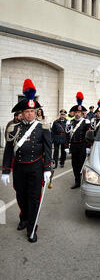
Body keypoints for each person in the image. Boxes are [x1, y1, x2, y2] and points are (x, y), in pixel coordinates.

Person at [1, 79, 52, 243]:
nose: (30, 114)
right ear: (21, 113)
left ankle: (32, 227)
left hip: (36, 168)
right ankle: (23, 218)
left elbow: (48, 149)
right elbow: (9, 150)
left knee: (34, 198)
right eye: (27, 111)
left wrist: (47, 169)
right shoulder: (14, 128)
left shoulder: (42, 127)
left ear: (36, 112)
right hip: (19, 168)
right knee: (21, 196)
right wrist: (5, 170)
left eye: (33, 111)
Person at [65, 92, 91, 189]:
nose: (77, 114)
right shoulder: (70, 122)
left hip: (82, 145)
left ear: (82, 113)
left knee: (82, 164)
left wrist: (88, 147)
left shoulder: (85, 122)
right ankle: (77, 181)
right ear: (74, 113)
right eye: (76, 112)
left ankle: (84, 181)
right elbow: (67, 135)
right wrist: (66, 146)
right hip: (74, 146)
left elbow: (89, 136)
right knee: (74, 164)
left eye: (79, 112)